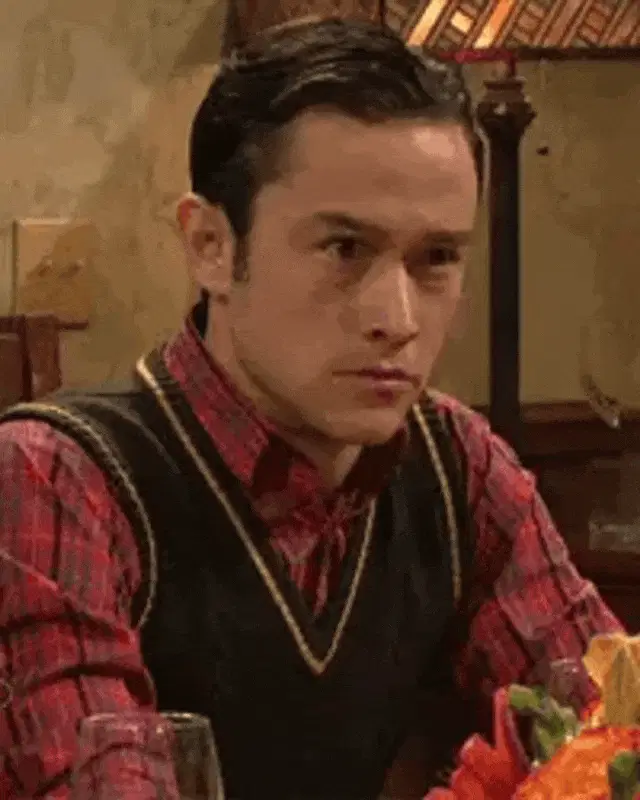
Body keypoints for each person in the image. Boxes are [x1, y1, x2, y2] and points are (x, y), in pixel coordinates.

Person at [0, 17, 622, 800]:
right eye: (345, 249)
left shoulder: (457, 464)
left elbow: (613, 737)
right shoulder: (57, 479)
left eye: (435, 258)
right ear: (210, 246)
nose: (397, 318)